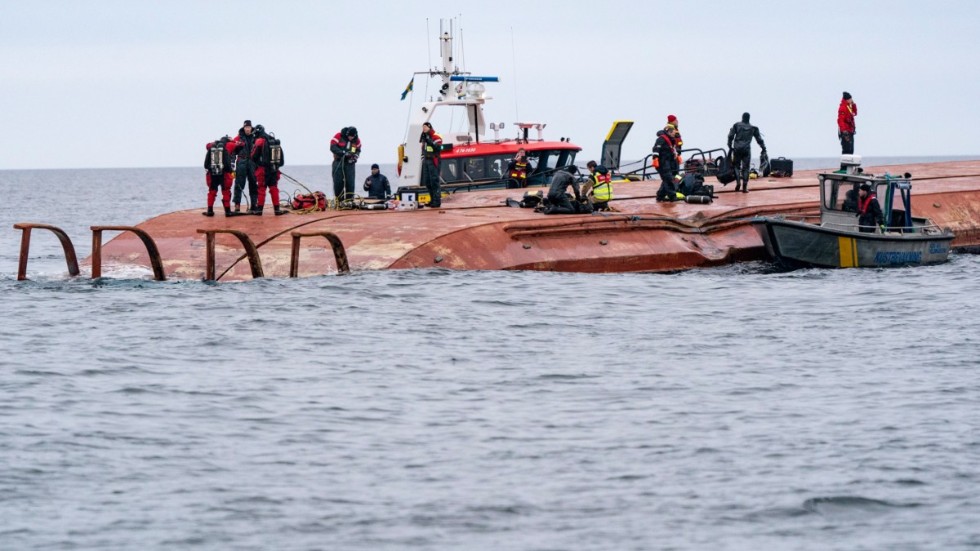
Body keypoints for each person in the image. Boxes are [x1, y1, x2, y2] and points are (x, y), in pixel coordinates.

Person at [250, 125, 287, 215]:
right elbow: (281, 160)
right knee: (274, 188)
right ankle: (277, 210)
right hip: (274, 169)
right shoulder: (273, 140)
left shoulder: (260, 141)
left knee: (261, 189)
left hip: (263, 170)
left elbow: (253, 156)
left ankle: (259, 210)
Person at [202, 136, 242, 217]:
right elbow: (241, 145)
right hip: (225, 174)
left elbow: (206, 163)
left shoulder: (212, 146)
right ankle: (227, 211)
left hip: (212, 173)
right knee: (226, 191)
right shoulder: (230, 145)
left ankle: (210, 210)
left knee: (212, 191)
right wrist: (233, 141)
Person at [727, 112, 766, 193]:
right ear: (749, 118)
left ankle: (738, 183)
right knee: (746, 168)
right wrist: (763, 148)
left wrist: (729, 145)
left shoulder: (736, 125)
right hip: (746, 150)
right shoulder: (753, 128)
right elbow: (759, 139)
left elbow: (730, 136)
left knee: (736, 166)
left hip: (737, 149)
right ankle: (744, 187)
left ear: (742, 117)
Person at [232, 120, 258, 212]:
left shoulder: (256, 138)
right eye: (246, 127)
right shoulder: (237, 138)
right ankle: (237, 205)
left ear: (251, 128)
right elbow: (232, 152)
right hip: (241, 162)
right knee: (239, 184)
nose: (247, 129)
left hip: (252, 163)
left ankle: (254, 204)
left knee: (253, 184)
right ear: (244, 128)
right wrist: (232, 164)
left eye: (249, 127)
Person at [330, 126, 361, 201]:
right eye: (350, 136)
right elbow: (332, 147)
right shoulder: (338, 136)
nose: (351, 138)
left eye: (352, 136)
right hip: (338, 162)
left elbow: (358, 150)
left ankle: (349, 201)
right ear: (347, 134)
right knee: (338, 182)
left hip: (350, 164)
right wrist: (343, 153)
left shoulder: (357, 140)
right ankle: (339, 201)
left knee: (350, 182)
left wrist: (355, 156)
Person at [653, 126, 682, 201]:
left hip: (669, 162)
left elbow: (673, 149)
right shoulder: (661, 139)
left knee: (667, 179)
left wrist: (677, 155)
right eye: (673, 132)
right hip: (663, 163)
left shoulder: (671, 139)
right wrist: (655, 158)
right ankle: (672, 196)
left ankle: (660, 196)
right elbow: (656, 149)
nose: (674, 134)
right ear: (669, 132)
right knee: (668, 179)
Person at [419, 122, 443, 207]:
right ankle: (432, 200)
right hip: (426, 160)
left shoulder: (436, 136)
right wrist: (423, 159)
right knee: (428, 182)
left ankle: (437, 201)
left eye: (425, 127)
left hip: (434, 160)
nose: (424, 129)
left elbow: (439, 148)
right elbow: (423, 149)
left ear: (429, 127)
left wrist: (430, 142)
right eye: (423, 127)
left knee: (434, 181)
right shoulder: (424, 137)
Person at [838, 91, 857, 156]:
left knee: (851, 149)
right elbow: (840, 120)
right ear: (847, 99)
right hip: (846, 131)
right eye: (850, 99)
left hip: (850, 130)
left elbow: (855, 113)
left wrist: (853, 104)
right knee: (846, 150)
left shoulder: (849, 106)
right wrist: (844, 131)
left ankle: (849, 165)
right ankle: (844, 166)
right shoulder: (843, 107)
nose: (851, 100)